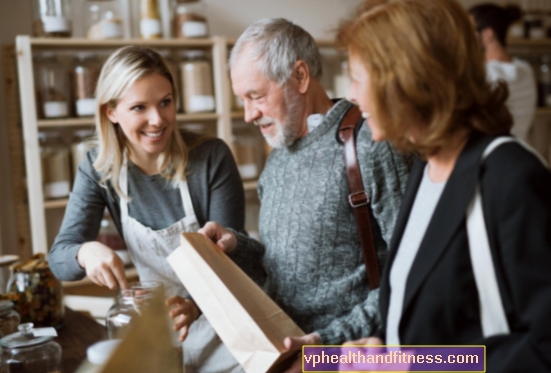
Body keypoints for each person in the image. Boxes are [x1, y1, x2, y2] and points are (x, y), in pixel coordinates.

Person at [337, 0, 551, 371]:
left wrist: (414, 365)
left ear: (406, 79)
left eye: (357, 77)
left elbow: (544, 348)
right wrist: (384, 349)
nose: (351, 95)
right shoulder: (426, 167)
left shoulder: (510, 177)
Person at [198, 18, 410, 372]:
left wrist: (323, 345)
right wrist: (235, 244)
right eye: (242, 100)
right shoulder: (279, 154)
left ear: (300, 76)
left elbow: (410, 274)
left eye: (257, 96)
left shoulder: (371, 143)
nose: (249, 114)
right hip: (286, 355)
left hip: (352, 358)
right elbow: (281, 264)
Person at [48, 46, 245, 373]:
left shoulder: (210, 156)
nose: (157, 120)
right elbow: (60, 260)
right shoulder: (98, 168)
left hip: (226, 324)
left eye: (165, 102)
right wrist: (85, 251)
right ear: (111, 111)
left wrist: (194, 307)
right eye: (139, 107)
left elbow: (233, 258)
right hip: (161, 335)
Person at [469, 3, 537, 142]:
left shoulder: (487, 73)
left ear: (488, 34)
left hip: (497, 155)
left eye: (469, 31)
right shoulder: (525, 68)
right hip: (521, 150)